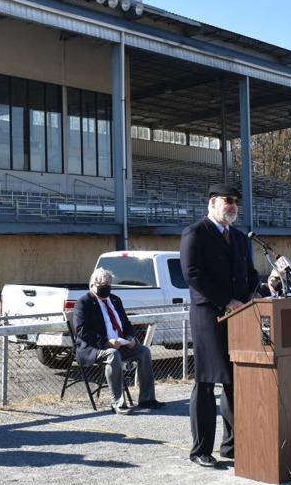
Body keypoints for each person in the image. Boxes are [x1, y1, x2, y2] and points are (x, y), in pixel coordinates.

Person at [179, 183, 260, 468]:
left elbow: (251, 272)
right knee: (206, 381)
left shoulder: (238, 237)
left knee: (234, 379)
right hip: (209, 317)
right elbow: (192, 274)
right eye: (228, 200)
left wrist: (251, 294)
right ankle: (200, 449)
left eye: (236, 202)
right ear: (212, 202)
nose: (233, 206)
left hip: (237, 316)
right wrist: (227, 300)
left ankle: (233, 445)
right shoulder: (196, 233)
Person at [71, 267, 164, 415]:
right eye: (103, 286)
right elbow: (81, 330)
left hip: (121, 344)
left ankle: (147, 399)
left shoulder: (115, 300)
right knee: (113, 354)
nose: (106, 289)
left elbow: (126, 324)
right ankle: (118, 403)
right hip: (95, 347)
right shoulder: (84, 302)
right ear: (93, 285)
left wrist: (130, 338)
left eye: (109, 285)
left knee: (144, 351)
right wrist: (107, 342)